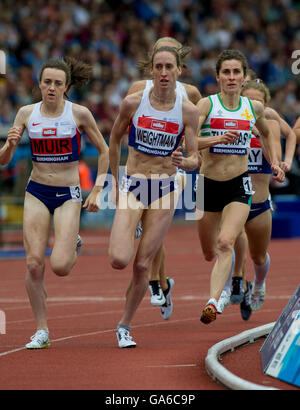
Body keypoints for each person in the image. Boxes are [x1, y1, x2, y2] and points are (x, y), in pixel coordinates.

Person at [109, 46, 225, 348]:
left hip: (165, 188)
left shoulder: (187, 110)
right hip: (134, 183)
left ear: (178, 71)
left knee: (142, 265)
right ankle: (132, 221)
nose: (163, 73)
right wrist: (110, 180)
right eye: (158, 67)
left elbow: (193, 158)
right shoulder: (132, 103)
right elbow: (114, 139)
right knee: (119, 259)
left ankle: (124, 326)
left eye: (168, 67)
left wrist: (185, 162)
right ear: (151, 71)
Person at [0, 57, 109, 348]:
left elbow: (104, 150)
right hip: (36, 191)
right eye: (47, 82)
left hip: (68, 195)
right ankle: (42, 330)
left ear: (66, 87)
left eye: (57, 83)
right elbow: (3, 162)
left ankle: (72, 241)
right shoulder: (26, 113)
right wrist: (9, 145)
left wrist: (97, 189)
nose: (51, 87)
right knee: (34, 265)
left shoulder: (79, 114)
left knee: (60, 266)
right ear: (39, 84)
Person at [195, 49, 285, 325]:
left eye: (236, 72)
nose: (231, 77)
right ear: (218, 76)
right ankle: (224, 288)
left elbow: (269, 132)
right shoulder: (206, 105)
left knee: (226, 242)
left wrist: (275, 162)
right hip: (207, 185)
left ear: (244, 77)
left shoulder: (253, 108)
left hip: (239, 184)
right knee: (209, 251)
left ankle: (214, 300)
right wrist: (217, 138)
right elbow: (189, 140)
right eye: (226, 72)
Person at [127, 36, 202, 320]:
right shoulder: (139, 88)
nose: (163, 69)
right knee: (148, 233)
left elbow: (197, 131)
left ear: (178, 62)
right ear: (152, 60)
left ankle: (157, 284)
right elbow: (128, 125)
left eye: (169, 60)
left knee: (150, 230)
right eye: (158, 58)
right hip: (139, 168)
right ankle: (163, 282)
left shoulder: (190, 93)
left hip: (173, 169)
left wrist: (192, 157)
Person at [232, 80, 283, 321]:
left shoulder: (269, 125)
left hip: (260, 202)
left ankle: (258, 283)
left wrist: (257, 132)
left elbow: (276, 161)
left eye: (257, 103)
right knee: (229, 241)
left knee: (259, 255)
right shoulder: (230, 123)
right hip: (234, 197)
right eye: (248, 102)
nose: (252, 107)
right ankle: (236, 283)